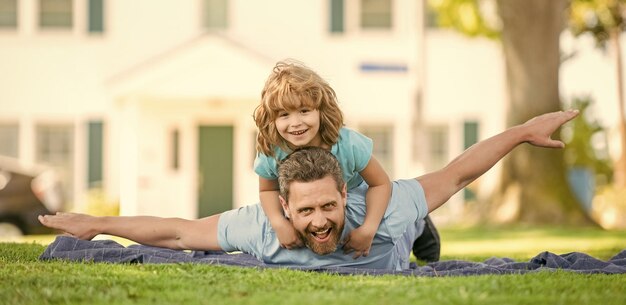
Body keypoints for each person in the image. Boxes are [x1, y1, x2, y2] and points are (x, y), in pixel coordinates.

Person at [38, 109, 579, 271]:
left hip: (398, 223)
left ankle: (422, 229)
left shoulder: (378, 210)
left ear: (347, 196)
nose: (319, 220)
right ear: (285, 208)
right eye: (306, 211)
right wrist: (96, 225)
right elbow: (179, 232)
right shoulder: (263, 226)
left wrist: (521, 133)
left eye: (328, 206)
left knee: (414, 210)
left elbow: (458, 173)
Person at [253, 60, 391, 258]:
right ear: (272, 120)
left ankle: (422, 227)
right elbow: (267, 189)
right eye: (284, 115)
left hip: (354, 196)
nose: (296, 123)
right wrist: (278, 222)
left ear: (320, 110)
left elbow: (380, 184)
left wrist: (369, 228)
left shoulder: (348, 144)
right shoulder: (273, 151)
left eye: (304, 111)